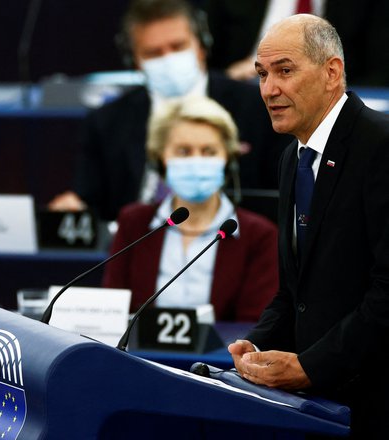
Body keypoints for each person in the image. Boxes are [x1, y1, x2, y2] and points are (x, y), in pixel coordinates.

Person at [228, 14, 389, 438]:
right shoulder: (292, 159)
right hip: (320, 406)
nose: (269, 90)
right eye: (262, 74)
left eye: (285, 71)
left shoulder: (380, 145)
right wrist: (256, 345)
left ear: (331, 72)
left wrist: (309, 366)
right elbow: (294, 291)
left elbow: (388, 290)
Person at [48, 0, 290, 222]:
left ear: (202, 45)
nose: (168, 59)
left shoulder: (257, 107)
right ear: (134, 61)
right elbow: (88, 206)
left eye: (178, 46)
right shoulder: (105, 123)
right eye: (153, 53)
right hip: (139, 252)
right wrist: (73, 209)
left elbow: (283, 197)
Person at [102, 96, 278, 321]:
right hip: (137, 356)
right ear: (160, 157)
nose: (197, 161)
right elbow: (113, 311)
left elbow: (253, 327)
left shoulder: (260, 235)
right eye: (184, 151)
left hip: (221, 356)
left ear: (228, 158)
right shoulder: (133, 223)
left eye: (209, 151)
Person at [205, 0, 389, 85]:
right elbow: (201, 58)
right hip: (246, 87)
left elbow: (380, 71)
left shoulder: (365, 6)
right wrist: (226, 80)